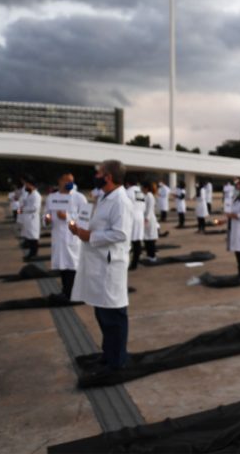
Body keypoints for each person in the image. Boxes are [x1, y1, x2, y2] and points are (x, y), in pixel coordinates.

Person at [70, 160, 133, 374]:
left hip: (110, 264)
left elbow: (121, 233)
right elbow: (100, 227)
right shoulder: (105, 197)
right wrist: (80, 230)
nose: (95, 176)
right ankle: (108, 356)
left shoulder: (121, 201)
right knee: (103, 314)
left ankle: (117, 362)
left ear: (107, 176)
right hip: (99, 263)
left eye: (99, 173)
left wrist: (91, 236)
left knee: (114, 316)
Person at [44, 172, 87, 298]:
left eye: (71, 181)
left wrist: (67, 217)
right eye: (67, 180)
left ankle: (72, 293)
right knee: (62, 266)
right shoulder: (52, 197)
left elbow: (85, 218)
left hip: (72, 237)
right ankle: (66, 291)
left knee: (72, 266)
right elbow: (46, 214)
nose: (70, 183)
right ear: (60, 181)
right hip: (58, 237)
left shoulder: (79, 197)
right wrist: (46, 219)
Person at [19, 175, 42, 261]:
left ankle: (33, 254)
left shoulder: (36, 195)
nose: (26, 187)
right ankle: (31, 253)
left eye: (27, 185)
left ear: (32, 185)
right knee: (29, 236)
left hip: (32, 219)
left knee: (33, 238)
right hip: (28, 219)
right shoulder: (30, 194)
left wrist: (23, 209)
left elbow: (34, 208)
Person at [125, 177, 145, 270]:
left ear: (128, 183)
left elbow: (125, 206)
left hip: (132, 217)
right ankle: (135, 263)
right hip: (140, 216)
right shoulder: (140, 192)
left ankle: (129, 263)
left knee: (129, 241)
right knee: (137, 241)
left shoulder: (128, 192)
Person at [141, 181, 159, 262]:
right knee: (146, 238)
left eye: (142, 187)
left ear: (146, 188)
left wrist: (146, 219)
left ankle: (152, 256)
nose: (141, 189)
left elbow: (149, 208)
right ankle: (149, 255)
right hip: (146, 218)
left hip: (149, 219)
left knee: (150, 238)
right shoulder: (145, 195)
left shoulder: (150, 196)